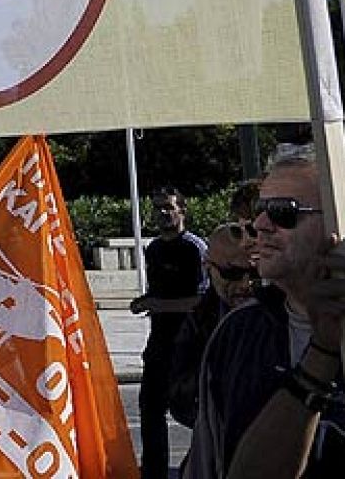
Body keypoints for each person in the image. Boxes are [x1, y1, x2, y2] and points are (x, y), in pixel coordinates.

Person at [185, 145, 345, 478]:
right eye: (260, 209)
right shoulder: (237, 331)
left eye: (284, 211)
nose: (260, 225)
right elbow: (210, 462)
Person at [131, 187, 207, 479]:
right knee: (151, 410)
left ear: (182, 211)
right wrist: (145, 302)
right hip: (160, 344)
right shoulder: (154, 249)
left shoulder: (194, 249)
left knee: (194, 413)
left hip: (189, 346)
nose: (163, 213)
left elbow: (201, 300)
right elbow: (159, 292)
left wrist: (158, 305)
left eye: (169, 207)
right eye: (157, 208)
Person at [169, 223, 258, 429]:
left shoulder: (278, 312)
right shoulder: (199, 320)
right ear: (208, 267)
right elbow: (180, 397)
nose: (245, 285)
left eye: (255, 274)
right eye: (232, 273)